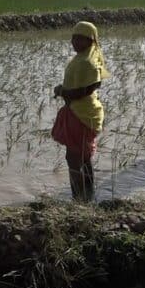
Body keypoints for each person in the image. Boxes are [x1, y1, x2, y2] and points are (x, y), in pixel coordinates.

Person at [52, 21, 109, 201]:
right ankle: (88, 195)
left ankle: (78, 198)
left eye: (80, 39)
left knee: (73, 158)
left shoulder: (87, 63)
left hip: (81, 114)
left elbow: (85, 90)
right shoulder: (84, 59)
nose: (75, 42)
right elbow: (85, 86)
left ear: (91, 41)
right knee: (83, 157)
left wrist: (62, 91)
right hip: (83, 112)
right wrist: (64, 88)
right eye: (73, 38)